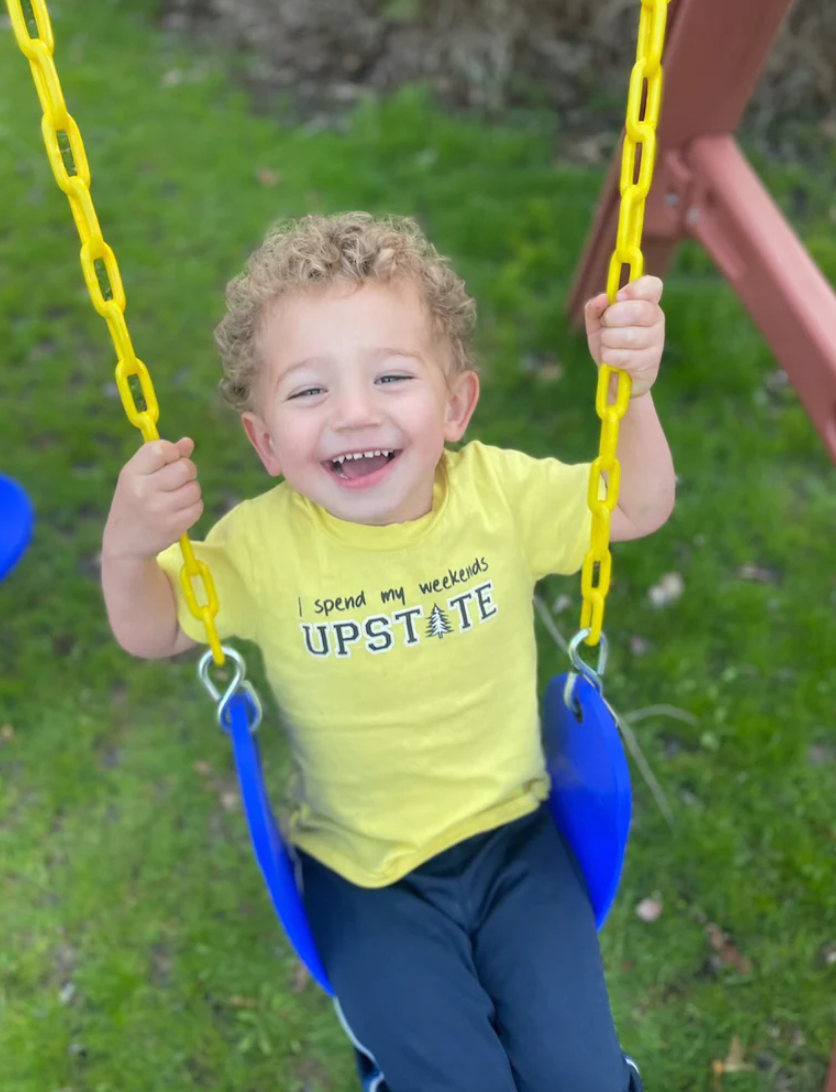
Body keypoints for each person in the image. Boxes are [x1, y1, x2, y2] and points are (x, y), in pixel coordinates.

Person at [101, 212, 675, 1092]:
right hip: (364, 877)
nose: (353, 413)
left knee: (583, 1079)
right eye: (307, 393)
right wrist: (129, 546)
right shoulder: (259, 547)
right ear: (263, 443)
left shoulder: (501, 497)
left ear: (455, 406)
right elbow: (151, 629)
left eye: (392, 377)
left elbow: (634, 507)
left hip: (517, 842)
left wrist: (631, 394)